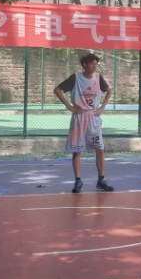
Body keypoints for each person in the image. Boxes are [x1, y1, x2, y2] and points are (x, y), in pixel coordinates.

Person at [54, 53, 113, 193]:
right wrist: (69, 106)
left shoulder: (98, 78)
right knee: (77, 150)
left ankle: (101, 180)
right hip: (79, 117)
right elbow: (57, 90)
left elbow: (109, 91)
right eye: (92, 63)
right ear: (84, 65)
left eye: (96, 64)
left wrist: (102, 107)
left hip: (93, 116)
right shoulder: (75, 78)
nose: (94, 66)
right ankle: (78, 181)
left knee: (100, 149)